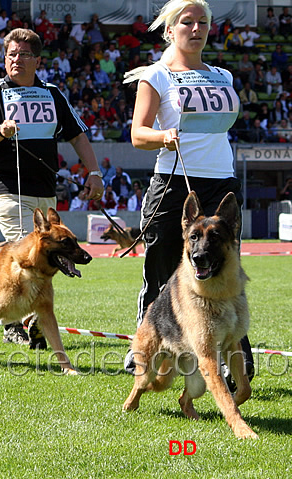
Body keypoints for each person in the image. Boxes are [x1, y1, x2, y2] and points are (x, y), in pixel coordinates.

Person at [123, 0, 253, 384]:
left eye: (201, 23)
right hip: (174, 182)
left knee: (227, 273)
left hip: (221, 183)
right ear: (170, 29)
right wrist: (163, 136)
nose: (195, 29)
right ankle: (142, 348)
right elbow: (136, 134)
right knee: (162, 270)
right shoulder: (156, 76)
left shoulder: (223, 76)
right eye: (186, 22)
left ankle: (235, 360)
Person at [0, 28, 103, 348]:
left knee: (43, 256)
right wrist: (0, 131)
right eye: (11, 54)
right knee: (21, 249)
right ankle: (17, 323)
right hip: (5, 187)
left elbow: (78, 135)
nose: (16, 60)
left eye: (24, 54)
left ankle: (31, 319)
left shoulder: (53, 93)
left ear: (38, 60)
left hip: (45, 192)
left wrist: (95, 173)